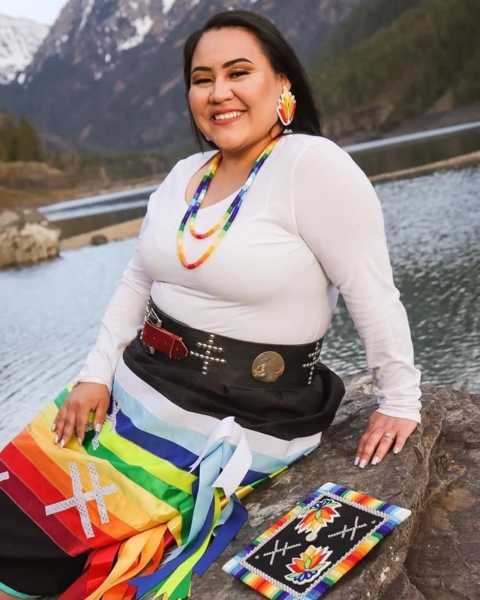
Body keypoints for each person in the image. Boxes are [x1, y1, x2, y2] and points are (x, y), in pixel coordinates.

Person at [0, 9, 421, 600]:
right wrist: (93, 376)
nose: (218, 92)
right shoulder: (184, 176)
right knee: (12, 499)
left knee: (45, 544)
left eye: (238, 72)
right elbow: (135, 281)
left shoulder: (313, 165)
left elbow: (372, 291)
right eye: (202, 79)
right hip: (140, 380)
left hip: (241, 408)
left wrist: (401, 400)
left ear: (282, 86)